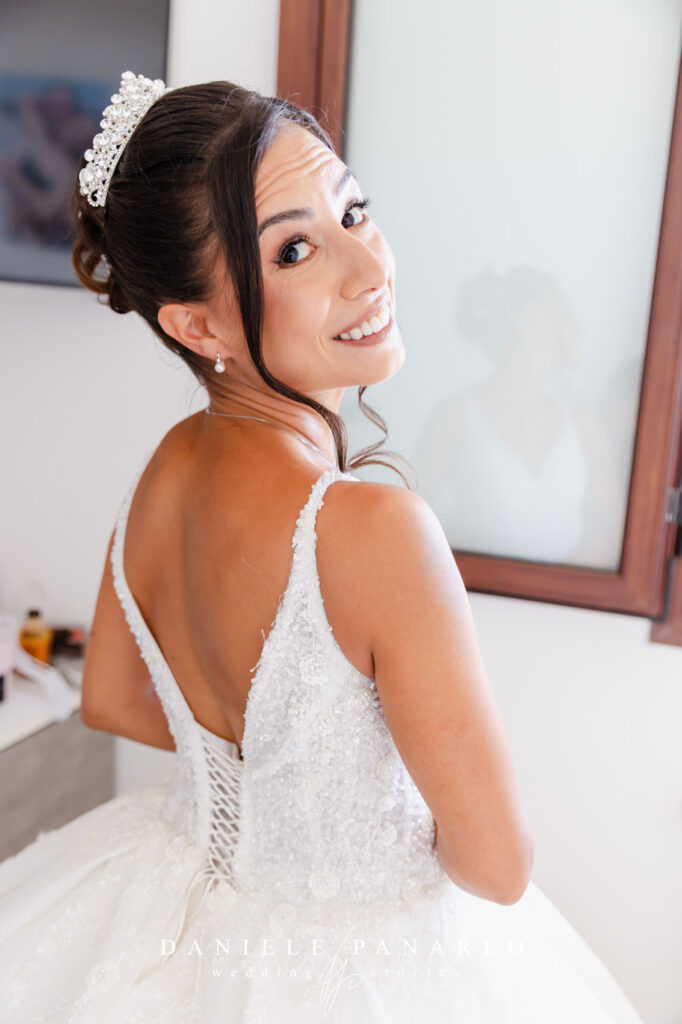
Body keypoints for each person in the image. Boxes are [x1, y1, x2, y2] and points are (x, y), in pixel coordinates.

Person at [0, 72, 645, 1023]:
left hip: (172, 903)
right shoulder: (375, 531)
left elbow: (110, 697)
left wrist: (284, 781)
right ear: (195, 324)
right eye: (296, 249)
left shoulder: (167, 466)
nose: (367, 265)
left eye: (354, 211)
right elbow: (497, 867)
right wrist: (341, 807)